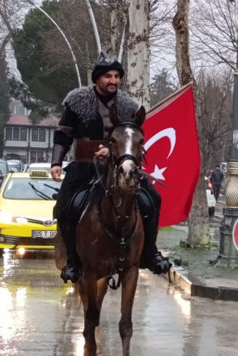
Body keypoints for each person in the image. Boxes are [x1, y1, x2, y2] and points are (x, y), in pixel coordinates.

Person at [50, 52, 171, 283]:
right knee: (65, 206)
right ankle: (73, 262)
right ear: (97, 78)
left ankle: (150, 252)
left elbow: (132, 135)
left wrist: (110, 148)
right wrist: (56, 162)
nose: (113, 80)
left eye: (117, 76)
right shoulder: (76, 101)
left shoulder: (128, 106)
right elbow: (63, 133)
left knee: (152, 199)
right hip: (84, 166)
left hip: (119, 165)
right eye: (108, 76)